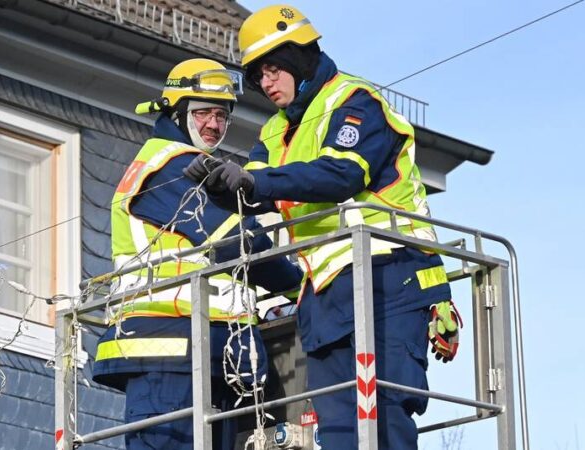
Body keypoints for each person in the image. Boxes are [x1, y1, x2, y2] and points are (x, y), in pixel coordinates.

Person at [185, 5, 459, 449]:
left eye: (273, 69)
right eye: (257, 77)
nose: (266, 84)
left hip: (389, 277)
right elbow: (256, 189)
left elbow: (342, 174)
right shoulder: (275, 130)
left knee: (384, 417)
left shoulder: (355, 101)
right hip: (326, 290)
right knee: (335, 430)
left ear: (300, 58)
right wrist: (223, 186)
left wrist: (254, 180)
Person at [92, 58, 302, 450]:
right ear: (176, 112)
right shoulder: (171, 166)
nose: (214, 125)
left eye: (222, 116)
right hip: (167, 351)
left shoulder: (197, 168)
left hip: (209, 353)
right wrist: (303, 288)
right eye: (203, 112)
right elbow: (238, 242)